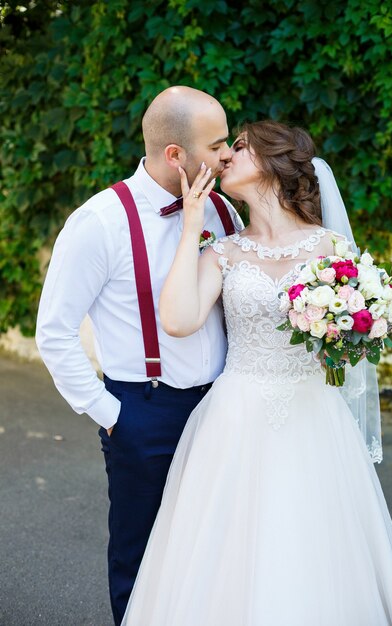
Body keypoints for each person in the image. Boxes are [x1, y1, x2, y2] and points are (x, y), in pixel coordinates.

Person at [121, 120, 392, 625]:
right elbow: (177, 319)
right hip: (235, 417)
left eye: (241, 147)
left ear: (276, 163)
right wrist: (192, 224)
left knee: (314, 547)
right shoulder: (224, 251)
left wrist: (349, 331)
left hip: (313, 418)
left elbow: (352, 340)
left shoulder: (330, 249)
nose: (227, 156)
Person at [35, 86, 243, 625]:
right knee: (141, 556)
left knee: (216, 552)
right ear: (175, 154)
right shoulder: (99, 222)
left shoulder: (222, 210)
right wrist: (112, 417)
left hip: (225, 406)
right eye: (217, 144)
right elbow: (54, 332)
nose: (228, 154)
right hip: (143, 412)